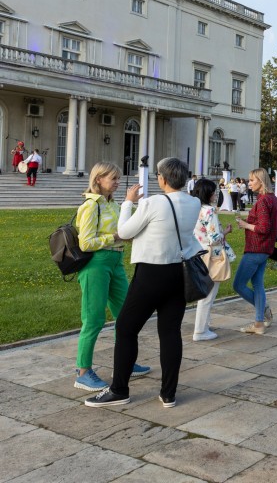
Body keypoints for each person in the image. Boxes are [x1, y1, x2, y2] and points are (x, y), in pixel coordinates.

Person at [85, 157, 199, 408]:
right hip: (179, 273)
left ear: (162, 179)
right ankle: (168, 393)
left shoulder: (154, 202)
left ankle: (119, 389)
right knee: (170, 332)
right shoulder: (194, 202)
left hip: (152, 272)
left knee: (126, 328)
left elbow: (125, 232)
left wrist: (127, 203)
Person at [74, 162, 150, 392]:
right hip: (96, 264)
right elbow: (85, 243)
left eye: (118, 178)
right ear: (99, 179)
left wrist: (124, 234)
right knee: (94, 318)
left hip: (115, 262)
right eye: (113, 178)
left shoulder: (113, 204)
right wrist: (114, 237)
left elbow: (124, 229)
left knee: (127, 315)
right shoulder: (91, 206)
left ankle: (125, 360)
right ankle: (82, 371)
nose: (117, 182)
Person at [233, 168, 277, 334]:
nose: (249, 183)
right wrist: (247, 222)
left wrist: (246, 225)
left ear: (261, 181)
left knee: (238, 285)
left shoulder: (262, 201)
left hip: (256, 249)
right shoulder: (271, 198)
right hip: (266, 249)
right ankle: (259, 324)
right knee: (257, 284)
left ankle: (262, 310)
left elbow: (264, 227)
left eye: (252, 180)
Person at [191, 178, 233, 342]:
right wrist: (225, 233)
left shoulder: (194, 209)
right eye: (213, 191)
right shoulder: (209, 211)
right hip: (211, 254)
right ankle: (200, 330)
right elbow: (214, 237)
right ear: (207, 193)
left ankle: (204, 325)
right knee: (208, 294)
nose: (216, 194)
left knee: (204, 291)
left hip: (197, 252)